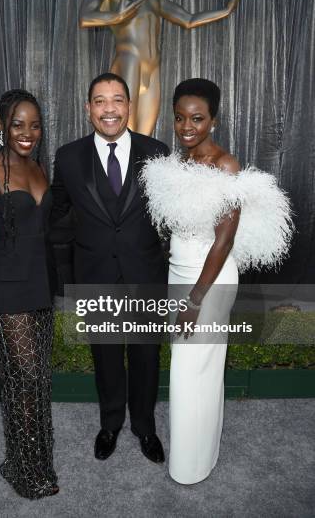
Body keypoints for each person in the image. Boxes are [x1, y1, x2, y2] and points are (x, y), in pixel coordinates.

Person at [140, 78, 293, 484]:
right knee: (190, 370)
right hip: (179, 272)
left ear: (214, 120)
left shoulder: (227, 165)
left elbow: (224, 241)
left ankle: (191, 466)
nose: (187, 126)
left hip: (208, 280)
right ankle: (197, 456)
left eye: (197, 118)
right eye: (179, 118)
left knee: (195, 370)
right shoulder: (178, 163)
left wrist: (194, 299)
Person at [51, 73, 169, 463]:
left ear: (129, 107)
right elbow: (57, 212)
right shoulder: (68, 156)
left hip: (145, 272)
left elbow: (169, 214)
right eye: (100, 101)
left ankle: (145, 428)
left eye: (117, 100)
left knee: (145, 356)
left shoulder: (157, 151)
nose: (109, 109)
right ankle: (110, 424)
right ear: (88, 109)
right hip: (95, 271)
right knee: (104, 356)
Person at [0, 89, 58, 498]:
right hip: (7, 294)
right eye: (18, 124)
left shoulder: (40, 170)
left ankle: (29, 462)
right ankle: (27, 472)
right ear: (1, 126)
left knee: (37, 384)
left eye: (35, 125)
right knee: (25, 379)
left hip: (40, 290)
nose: (27, 133)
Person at [79, 0, 245, 135]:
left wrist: (227, 8)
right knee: (123, 136)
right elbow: (85, 18)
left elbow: (188, 19)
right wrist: (118, 15)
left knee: (144, 140)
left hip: (152, 70)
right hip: (129, 62)